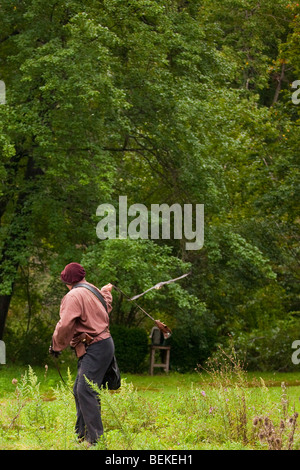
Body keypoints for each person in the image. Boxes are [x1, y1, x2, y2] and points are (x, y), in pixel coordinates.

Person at [49, 262, 114, 446]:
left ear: (67, 281)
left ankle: (95, 441)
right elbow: (106, 306)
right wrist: (106, 291)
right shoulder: (92, 289)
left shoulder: (73, 296)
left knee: (85, 390)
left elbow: (65, 325)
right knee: (81, 389)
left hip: (95, 346)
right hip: (104, 344)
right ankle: (81, 435)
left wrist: (56, 346)